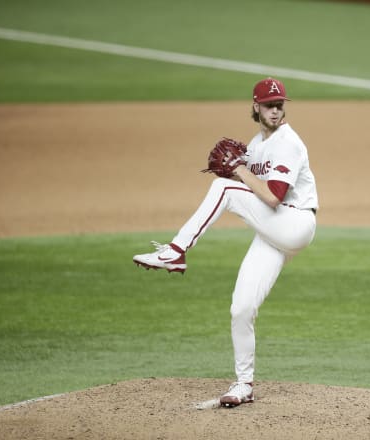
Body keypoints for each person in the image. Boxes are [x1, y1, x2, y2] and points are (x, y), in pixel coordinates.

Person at [132, 77, 319, 407]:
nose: (276, 111)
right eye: (269, 105)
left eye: (280, 105)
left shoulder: (288, 142)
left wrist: (238, 173)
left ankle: (175, 251)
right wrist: (235, 170)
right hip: (273, 233)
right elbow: (249, 188)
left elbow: (273, 197)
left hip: (295, 222)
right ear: (255, 107)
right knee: (241, 308)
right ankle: (243, 385)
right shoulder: (256, 145)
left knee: (222, 189)